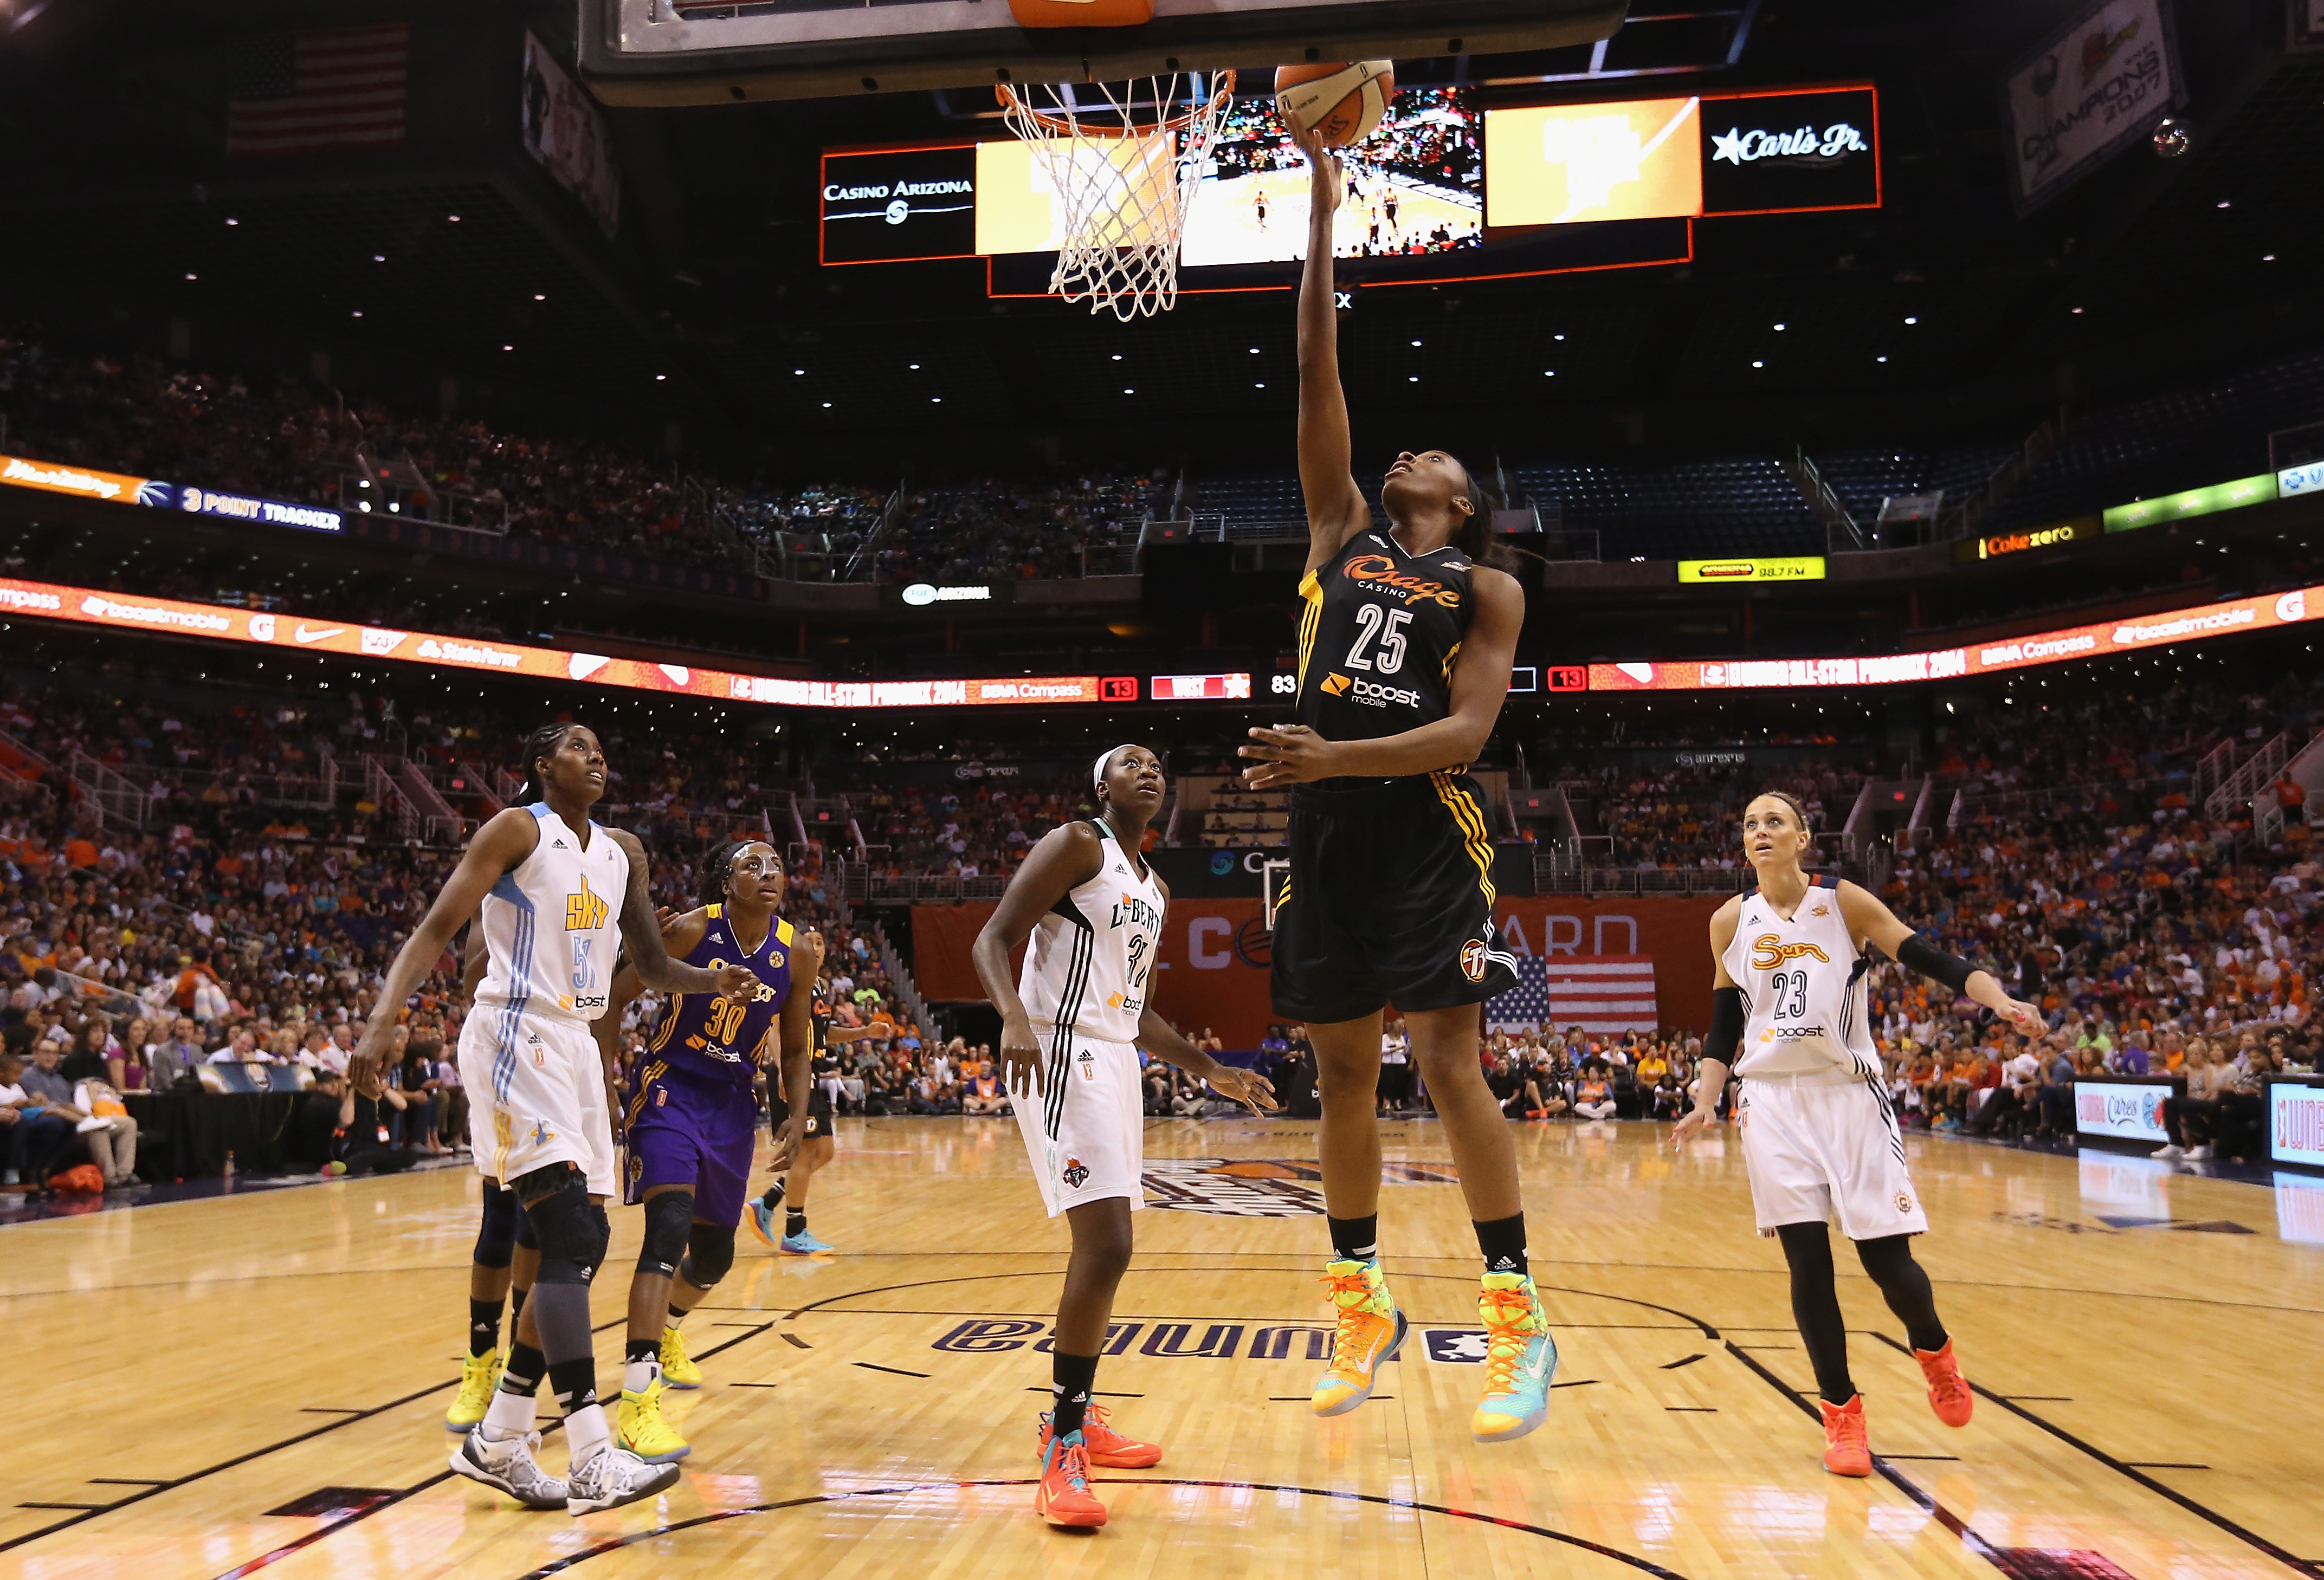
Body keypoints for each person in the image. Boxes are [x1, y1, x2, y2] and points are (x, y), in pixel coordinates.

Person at [1237, 122, 1553, 1447]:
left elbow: (1465, 738)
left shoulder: (1486, 587)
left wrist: (1332, 756)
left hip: (1424, 826)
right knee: (1343, 1077)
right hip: (1325, 831)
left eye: (1436, 459)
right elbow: (1315, 363)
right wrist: (1319, 211)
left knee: (1449, 1061)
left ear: (1464, 503)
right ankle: (1358, 1299)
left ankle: (1516, 1315)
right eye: (1397, 447)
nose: (1407, 451)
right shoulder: (1335, 532)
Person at [352, 721, 761, 1517]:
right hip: (514, 1029)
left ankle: (500, 1442)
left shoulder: (623, 853)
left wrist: (715, 982)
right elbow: (438, 928)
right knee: (570, 1236)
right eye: (577, 747)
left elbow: (647, 967)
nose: (597, 755)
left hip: (577, 1048)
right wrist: (381, 1021)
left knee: (586, 1240)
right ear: (543, 767)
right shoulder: (517, 828)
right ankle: (589, 1453)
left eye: (602, 747)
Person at [1674, 791, 2043, 1478]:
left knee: (1884, 1263)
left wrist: (2000, 1001)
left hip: (1849, 1097)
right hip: (1771, 1103)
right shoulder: (1729, 920)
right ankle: (1841, 1415)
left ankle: (1933, 1352)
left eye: (1773, 821)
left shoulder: (1840, 903)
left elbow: (1932, 958)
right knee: (1807, 1265)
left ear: (1802, 837)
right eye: (1750, 823)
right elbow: (1725, 1023)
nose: (1760, 831)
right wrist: (1705, 1095)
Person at [971, 744, 1276, 1530]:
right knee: (1104, 1245)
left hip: (1113, 1054)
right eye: (1129, 762)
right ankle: (1062, 1440)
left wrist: (1213, 1069)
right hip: (1056, 1043)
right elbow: (992, 937)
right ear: (1100, 785)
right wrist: (1011, 1015)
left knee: (1114, 1248)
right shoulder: (1078, 843)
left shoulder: (1157, 887)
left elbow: (1134, 1010)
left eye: (1156, 765)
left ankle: (1080, 1414)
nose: (1148, 771)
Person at [599, 839, 819, 1462]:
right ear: (726, 881)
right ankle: (638, 1402)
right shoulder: (693, 929)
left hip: (731, 1103)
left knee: (715, 1256)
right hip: (669, 1086)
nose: (769, 873)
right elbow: (616, 999)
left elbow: (796, 1046)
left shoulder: (795, 950)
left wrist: (795, 1112)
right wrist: (605, 1082)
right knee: (666, 1229)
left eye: (776, 864)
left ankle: (667, 1327)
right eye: (753, 865)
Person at [748, 990, 874, 1256]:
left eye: (820, 944)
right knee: (805, 1153)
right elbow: (774, 1026)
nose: (817, 947)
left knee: (825, 1152)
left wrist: (865, 1031)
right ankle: (794, 1232)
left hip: (812, 1072)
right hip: (794, 1071)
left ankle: (767, 1203)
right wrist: (784, 1070)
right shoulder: (793, 979)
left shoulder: (817, 985)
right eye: (813, 943)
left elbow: (824, 1034)